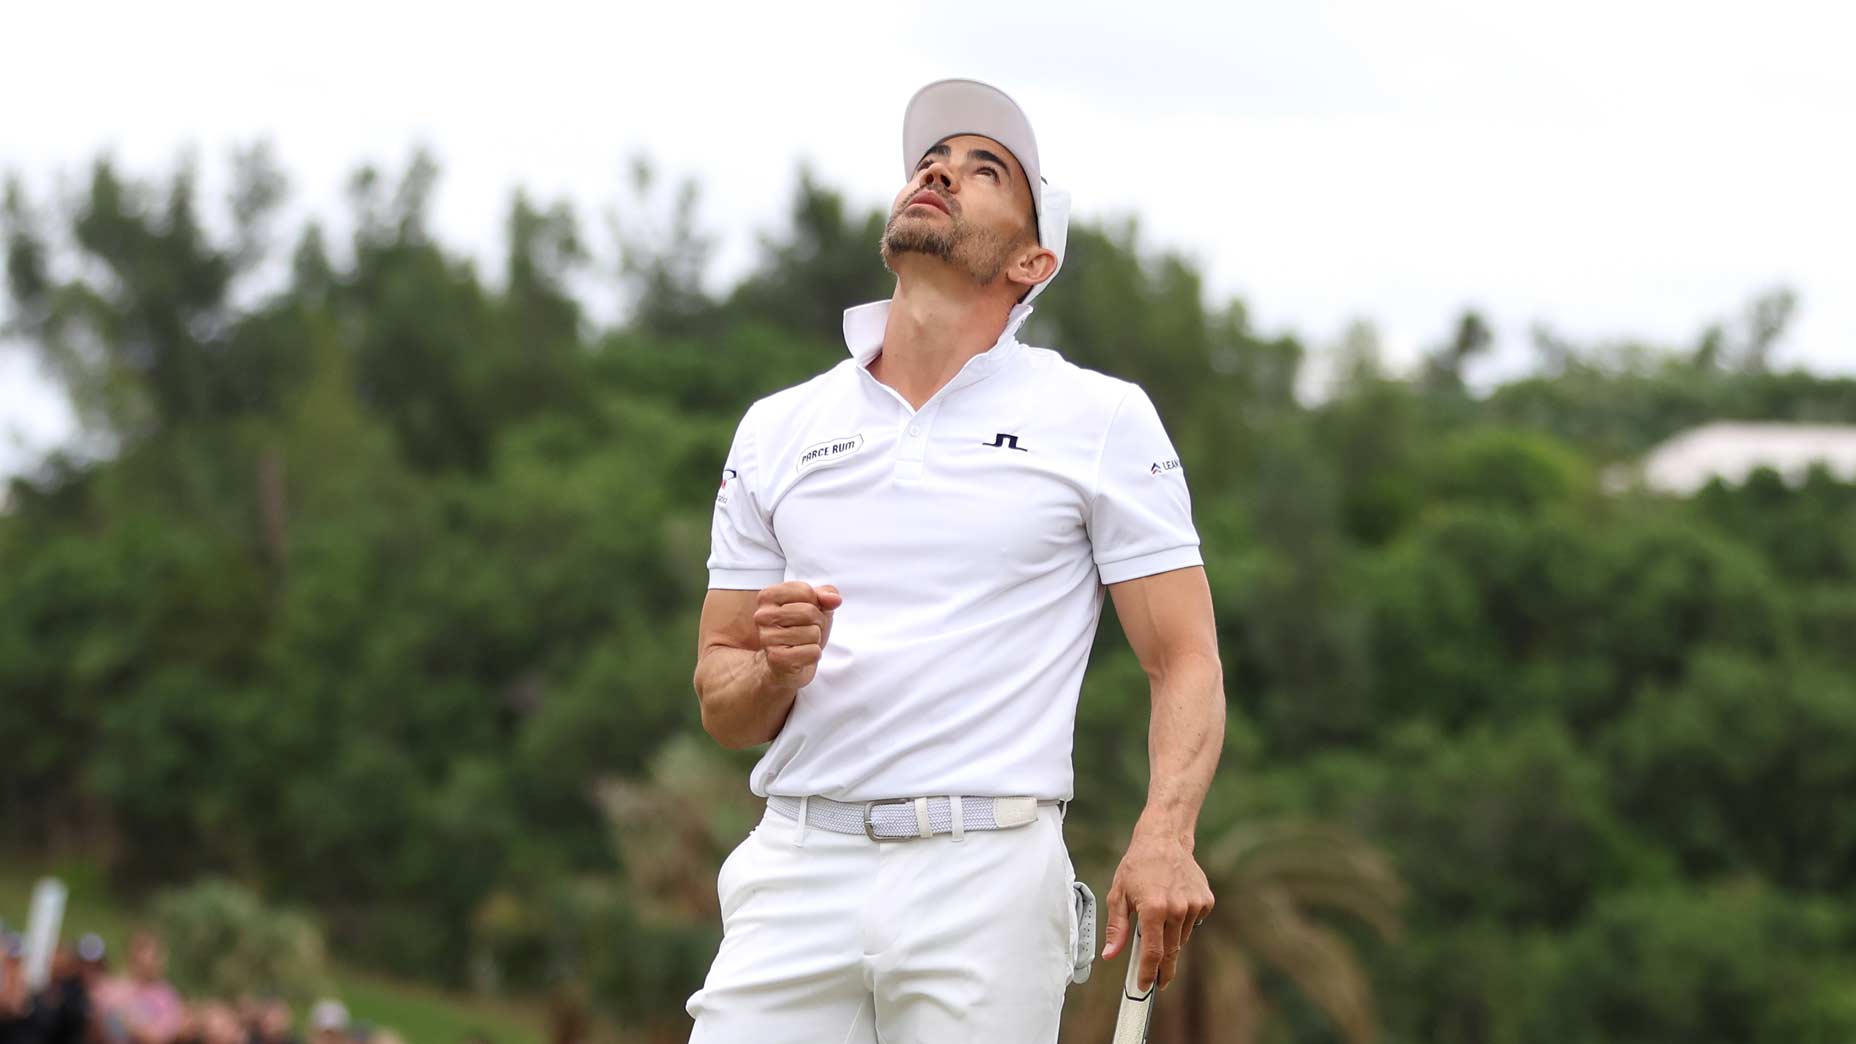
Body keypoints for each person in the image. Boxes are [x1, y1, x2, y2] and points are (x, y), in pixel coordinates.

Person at [688, 78, 1225, 1042]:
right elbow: (723, 700)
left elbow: (1182, 658)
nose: (941, 170)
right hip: (797, 865)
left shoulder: (1101, 418)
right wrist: (772, 665)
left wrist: (1167, 832)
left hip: (988, 877)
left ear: (1032, 258)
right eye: (933, 160)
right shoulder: (777, 427)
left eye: (987, 170)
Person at [92, 932, 186, 1044]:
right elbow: (94, 1029)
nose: (149, 960)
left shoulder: (168, 998)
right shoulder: (110, 987)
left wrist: (131, 1024)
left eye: (155, 955)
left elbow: (162, 1038)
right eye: (144, 953)